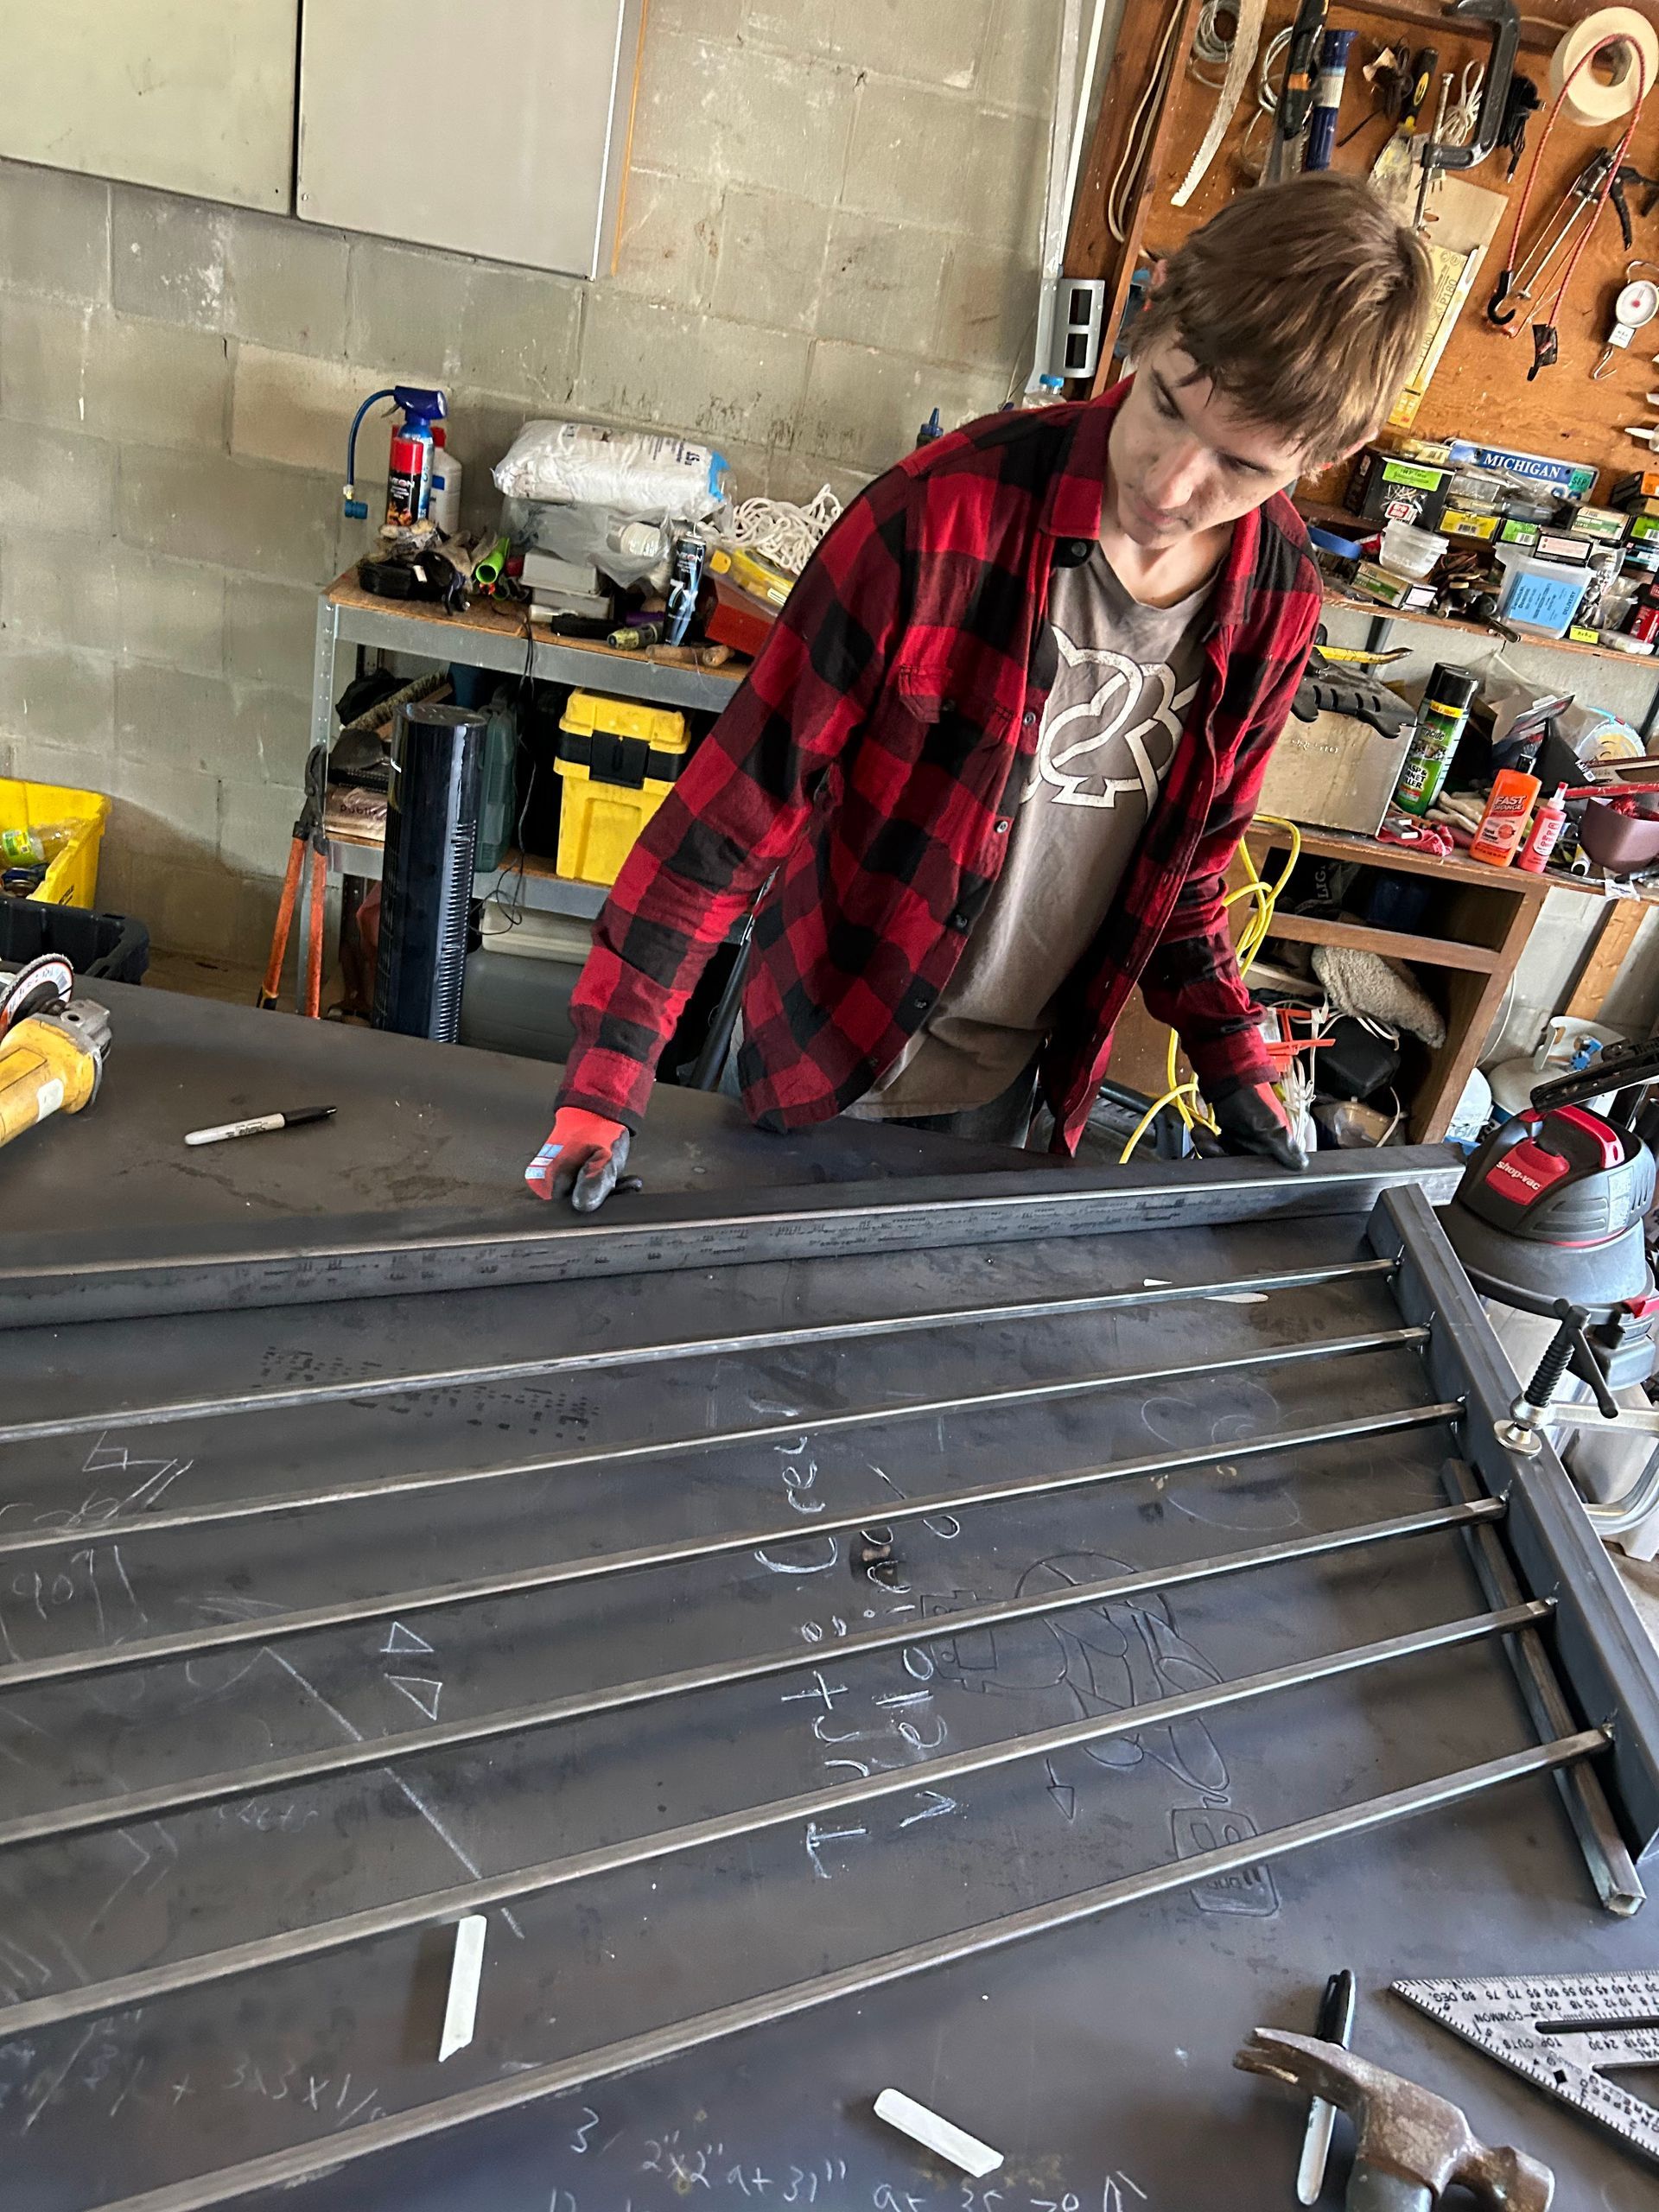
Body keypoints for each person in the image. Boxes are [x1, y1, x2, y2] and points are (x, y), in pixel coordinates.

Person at [527, 174, 1433, 1209]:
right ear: (1155, 312)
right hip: (821, 1053)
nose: (1171, 485)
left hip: (1022, 1101)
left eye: (1239, 464)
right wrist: (607, 1081)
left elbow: (1184, 879)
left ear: (1328, 457)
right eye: (1167, 405)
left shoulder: (1276, 601)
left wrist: (1236, 1057)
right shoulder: (939, 516)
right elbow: (731, 820)